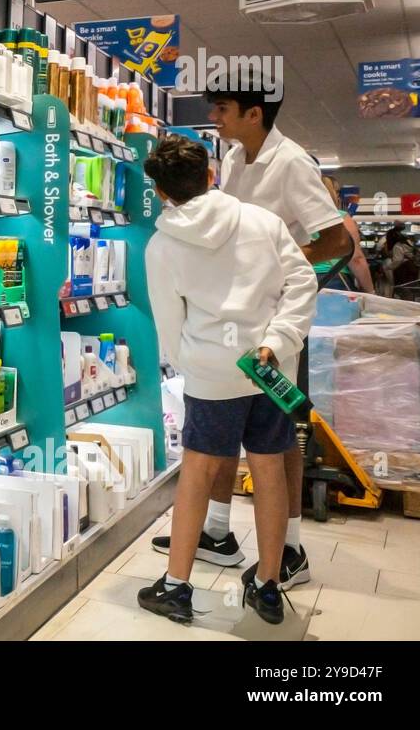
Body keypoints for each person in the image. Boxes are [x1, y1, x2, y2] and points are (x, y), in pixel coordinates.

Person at [152, 83, 349, 589]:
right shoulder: (236, 158)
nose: (214, 117)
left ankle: (289, 550)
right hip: (246, 335)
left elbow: (336, 240)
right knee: (248, 449)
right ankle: (219, 535)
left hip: (271, 331)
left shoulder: (292, 164)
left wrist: (273, 282)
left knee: (277, 449)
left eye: (222, 109)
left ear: (253, 113)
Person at [136, 136, 317, 625]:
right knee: (269, 469)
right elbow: (303, 281)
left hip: (212, 373)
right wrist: (276, 342)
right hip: (269, 369)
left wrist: (194, 364)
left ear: (159, 191)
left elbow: (168, 323)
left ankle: (176, 587)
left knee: (198, 469)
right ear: (210, 175)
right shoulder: (262, 221)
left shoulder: (162, 246)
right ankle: (268, 584)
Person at [316, 175, 374, 293]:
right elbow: (356, 259)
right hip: (333, 279)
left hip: (300, 280)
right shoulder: (340, 217)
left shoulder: (294, 220)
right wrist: (370, 291)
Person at [383, 226, 420, 290]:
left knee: (386, 264)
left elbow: (398, 260)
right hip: (415, 267)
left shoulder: (398, 245)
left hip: (405, 269)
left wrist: (387, 268)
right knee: (410, 287)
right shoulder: (409, 243)